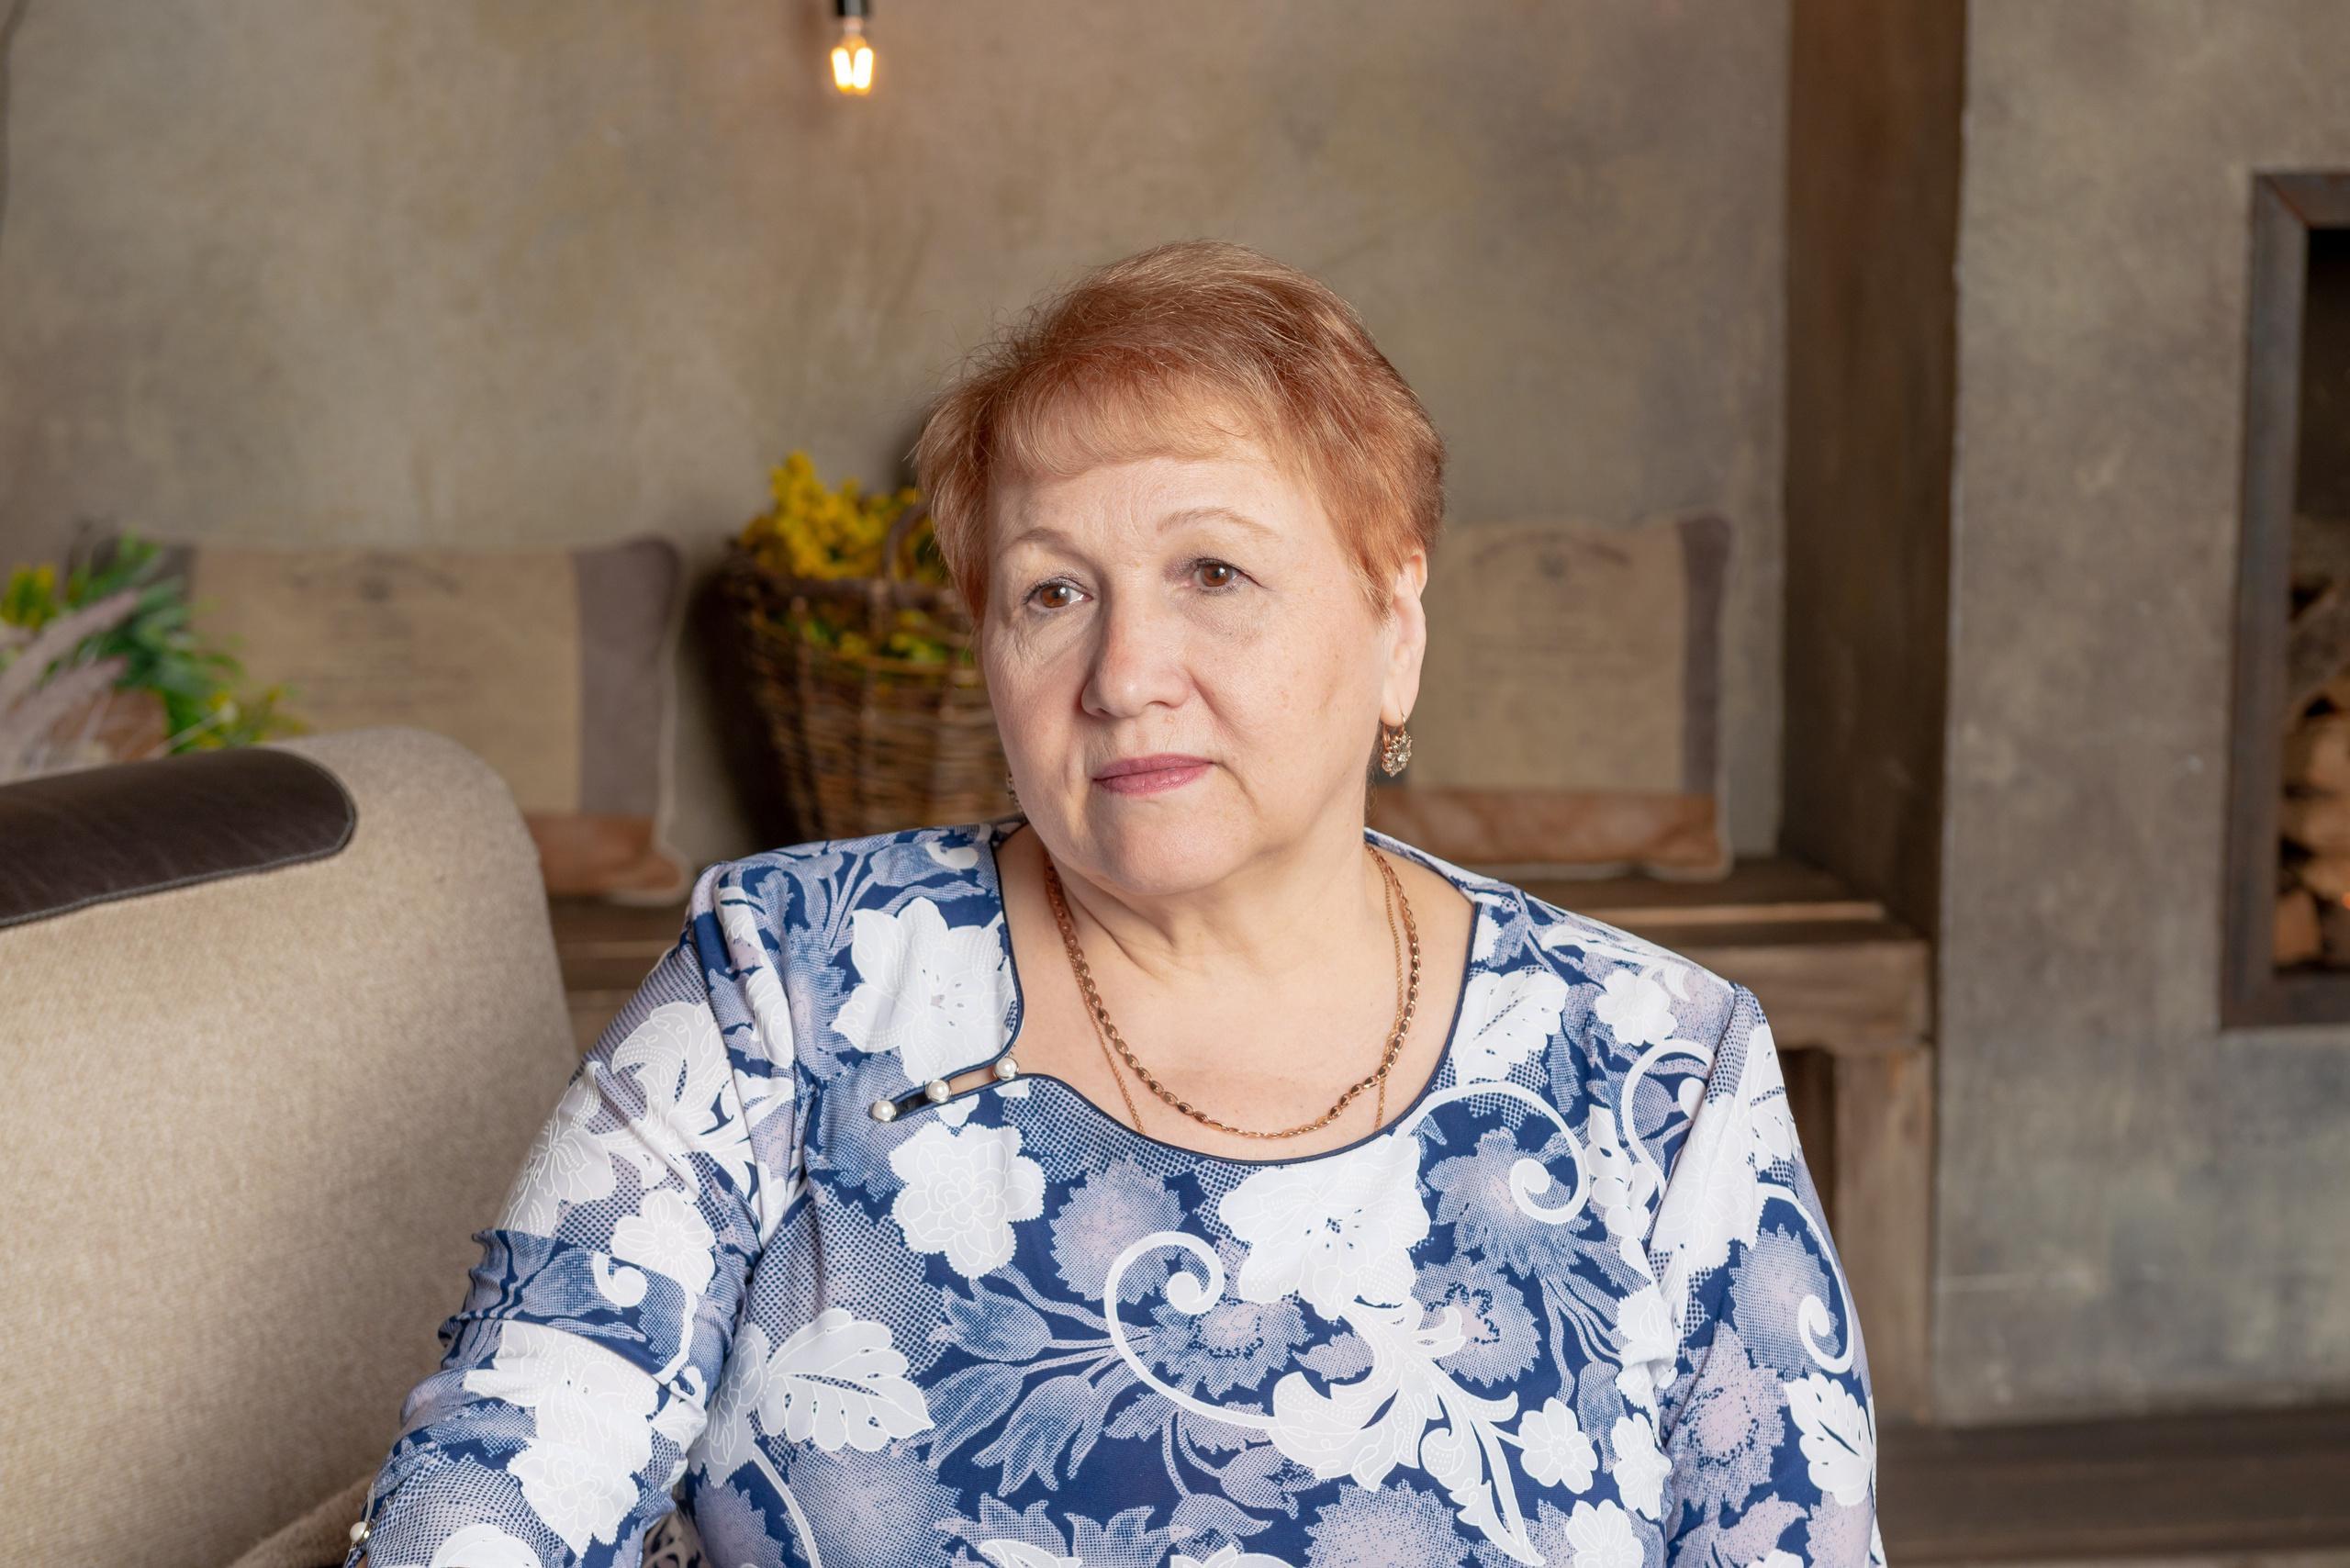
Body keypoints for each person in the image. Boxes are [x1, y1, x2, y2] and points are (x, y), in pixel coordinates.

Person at [349, 242, 1879, 1568]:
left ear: (1393, 628)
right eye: (1053, 592)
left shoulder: (1663, 1073)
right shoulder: (790, 985)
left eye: (1213, 571)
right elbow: (494, 1484)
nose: (1126, 672)